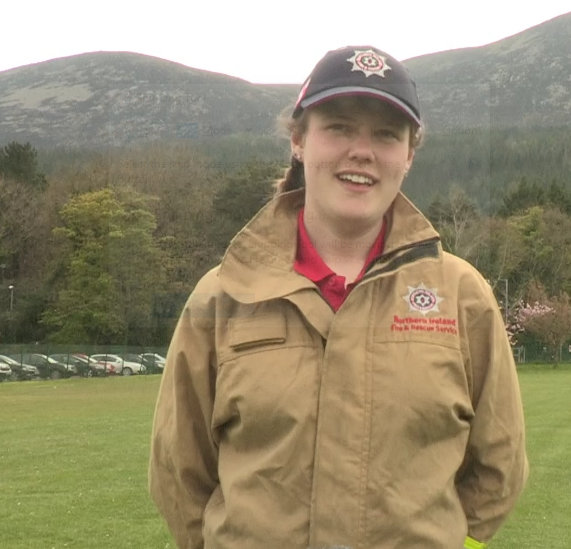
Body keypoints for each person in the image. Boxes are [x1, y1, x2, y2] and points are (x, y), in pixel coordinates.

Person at [148, 45, 529, 549]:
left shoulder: (462, 297)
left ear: (409, 155)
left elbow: (498, 467)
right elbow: (180, 472)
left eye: (387, 135)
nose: (362, 151)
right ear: (299, 140)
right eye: (340, 127)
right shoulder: (222, 297)